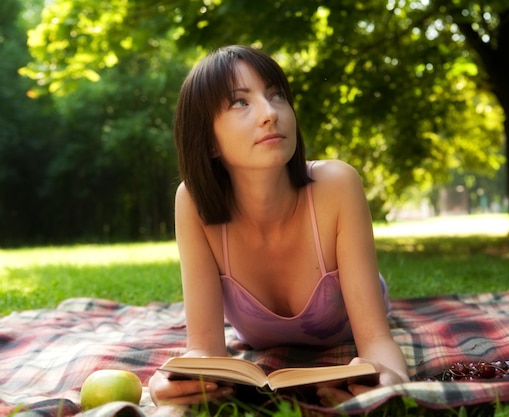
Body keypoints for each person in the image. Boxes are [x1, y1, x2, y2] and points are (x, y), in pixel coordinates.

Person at [148, 45, 409, 407]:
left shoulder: (337, 185)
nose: (270, 113)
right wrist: (172, 385)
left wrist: (391, 381)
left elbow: (377, 339)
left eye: (276, 95)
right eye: (240, 102)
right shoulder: (193, 204)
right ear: (208, 141)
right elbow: (205, 350)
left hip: (357, 314)